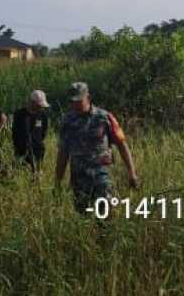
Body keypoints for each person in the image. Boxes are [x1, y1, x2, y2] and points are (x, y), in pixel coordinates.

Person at [55, 82, 138, 212]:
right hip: (79, 181)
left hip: (102, 178)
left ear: (88, 97)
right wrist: (58, 182)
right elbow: (63, 153)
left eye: (79, 100)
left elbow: (122, 145)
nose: (75, 104)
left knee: (106, 217)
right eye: (72, 101)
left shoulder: (104, 118)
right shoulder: (67, 122)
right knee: (84, 220)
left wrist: (132, 173)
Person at [12, 89, 50, 173]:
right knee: (20, 174)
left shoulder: (43, 115)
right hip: (21, 153)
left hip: (38, 152)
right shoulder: (19, 115)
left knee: (37, 176)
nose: (40, 107)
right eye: (38, 105)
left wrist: (38, 142)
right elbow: (14, 133)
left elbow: (44, 131)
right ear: (32, 102)